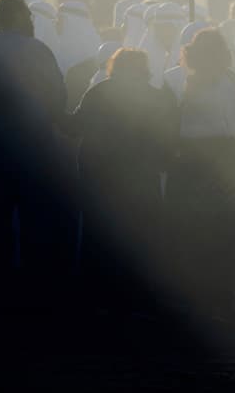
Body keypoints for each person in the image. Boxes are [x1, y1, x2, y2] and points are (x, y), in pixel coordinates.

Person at [0, 0, 68, 278]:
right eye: (27, 14)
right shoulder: (39, 51)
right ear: (17, 17)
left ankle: (0, 281)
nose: (31, 20)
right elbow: (58, 98)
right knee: (35, 218)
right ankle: (34, 282)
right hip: (36, 148)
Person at [74, 48, 179, 314]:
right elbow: (169, 139)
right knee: (143, 236)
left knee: (100, 236)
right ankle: (141, 296)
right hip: (142, 177)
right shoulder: (157, 98)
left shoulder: (97, 93)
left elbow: (73, 126)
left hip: (101, 177)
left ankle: (98, 295)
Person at [172, 28, 235, 318]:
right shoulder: (231, 81)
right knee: (224, 231)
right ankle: (222, 297)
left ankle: (198, 297)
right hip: (224, 159)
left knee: (193, 231)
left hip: (192, 161)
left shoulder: (179, 80)